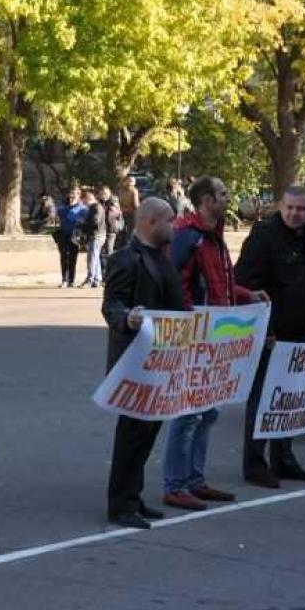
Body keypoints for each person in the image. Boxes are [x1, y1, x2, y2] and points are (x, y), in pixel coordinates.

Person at [163, 177, 268, 511]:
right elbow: (173, 282)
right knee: (189, 414)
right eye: (222, 193)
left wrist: (246, 295)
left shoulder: (213, 235)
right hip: (198, 334)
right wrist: (191, 318)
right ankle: (175, 485)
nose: (228, 197)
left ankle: (195, 480)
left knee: (208, 412)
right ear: (207, 200)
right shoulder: (189, 236)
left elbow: (219, 283)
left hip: (215, 336)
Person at [236, 186, 305, 488]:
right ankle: (255, 464)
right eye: (289, 207)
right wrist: (263, 330)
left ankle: (284, 460)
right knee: (262, 400)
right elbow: (246, 284)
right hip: (272, 333)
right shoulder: (264, 236)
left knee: (290, 399)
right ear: (281, 207)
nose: (294, 214)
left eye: (300, 209)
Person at [102, 198, 181, 529]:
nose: (174, 226)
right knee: (132, 435)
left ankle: (133, 497)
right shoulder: (125, 258)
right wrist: (127, 318)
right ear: (150, 222)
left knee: (147, 433)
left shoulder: (162, 257)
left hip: (161, 360)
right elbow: (112, 304)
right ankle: (121, 504)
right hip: (136, 363)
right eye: (169, 220)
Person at [54, 186, 88, 288]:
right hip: (63, 234)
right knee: (63, 257)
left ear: (79, 195)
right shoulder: (63, 207)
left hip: (75, 236)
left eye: (74, 195)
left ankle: (71, 280)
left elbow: (85, 221)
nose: (72, 197)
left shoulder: (83, 208)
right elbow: (56, 216)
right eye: (71, 195)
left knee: (73, 258)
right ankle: (64, 279)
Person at [78, 189, 105, 288]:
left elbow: (94, 222)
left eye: (84, 200)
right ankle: (97, 279)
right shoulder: (95, 207)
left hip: (96, 235)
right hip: (97, 235)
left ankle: (89, 280)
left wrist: (82, 223)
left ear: (88, 198)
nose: (84, 203)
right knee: (95, 258)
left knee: (92, 258)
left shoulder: (96, 207)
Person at [99, 185, 123, 273]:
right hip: (101, 231)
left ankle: (110, 272)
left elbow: (111, 216)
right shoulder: (100, 203)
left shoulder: (113, 202)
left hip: (110, 231)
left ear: (109, 193)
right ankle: (103, 272)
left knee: (109, 252)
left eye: (105, 193)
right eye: (102, 193)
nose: (103, 195)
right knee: (101, 252)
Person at [116, 175, 139, 247]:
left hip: (122, 211)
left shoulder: (120, 190)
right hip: (131, 213)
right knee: (130, 231)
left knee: (123, 229)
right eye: (132, 181)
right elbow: (136, 204)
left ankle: (121, 244)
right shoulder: (134, 191)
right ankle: (128, 245)